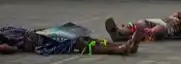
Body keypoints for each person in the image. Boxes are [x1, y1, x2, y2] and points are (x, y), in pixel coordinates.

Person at [0, 25, 141, 56]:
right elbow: (9, 48)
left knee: (83, 38)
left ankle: (123, 45)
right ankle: (118, 50)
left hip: (40, 34)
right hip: (40, 44)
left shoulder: (4, 29)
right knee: (78, 43)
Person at [105, 12, 181, 42]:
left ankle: (120, 35)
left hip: (165, 28)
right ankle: (119, 32)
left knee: (146, 29)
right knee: (136, 25)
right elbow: (178, 14)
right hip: (159, 22)